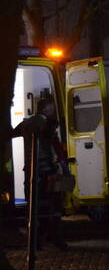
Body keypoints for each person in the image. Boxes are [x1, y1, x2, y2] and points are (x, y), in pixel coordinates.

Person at [11, 95, 69, 250]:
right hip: (47, 171)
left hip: (30, 169)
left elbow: (12, 133)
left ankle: (35, 242)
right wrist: (64, 167)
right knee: (54, 206)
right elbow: (56, 147)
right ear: (45, 108)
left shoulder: (26, 124)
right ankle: (56, 239)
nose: (54, 110)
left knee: (33, 207)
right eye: (52, 107)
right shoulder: (49, 124)